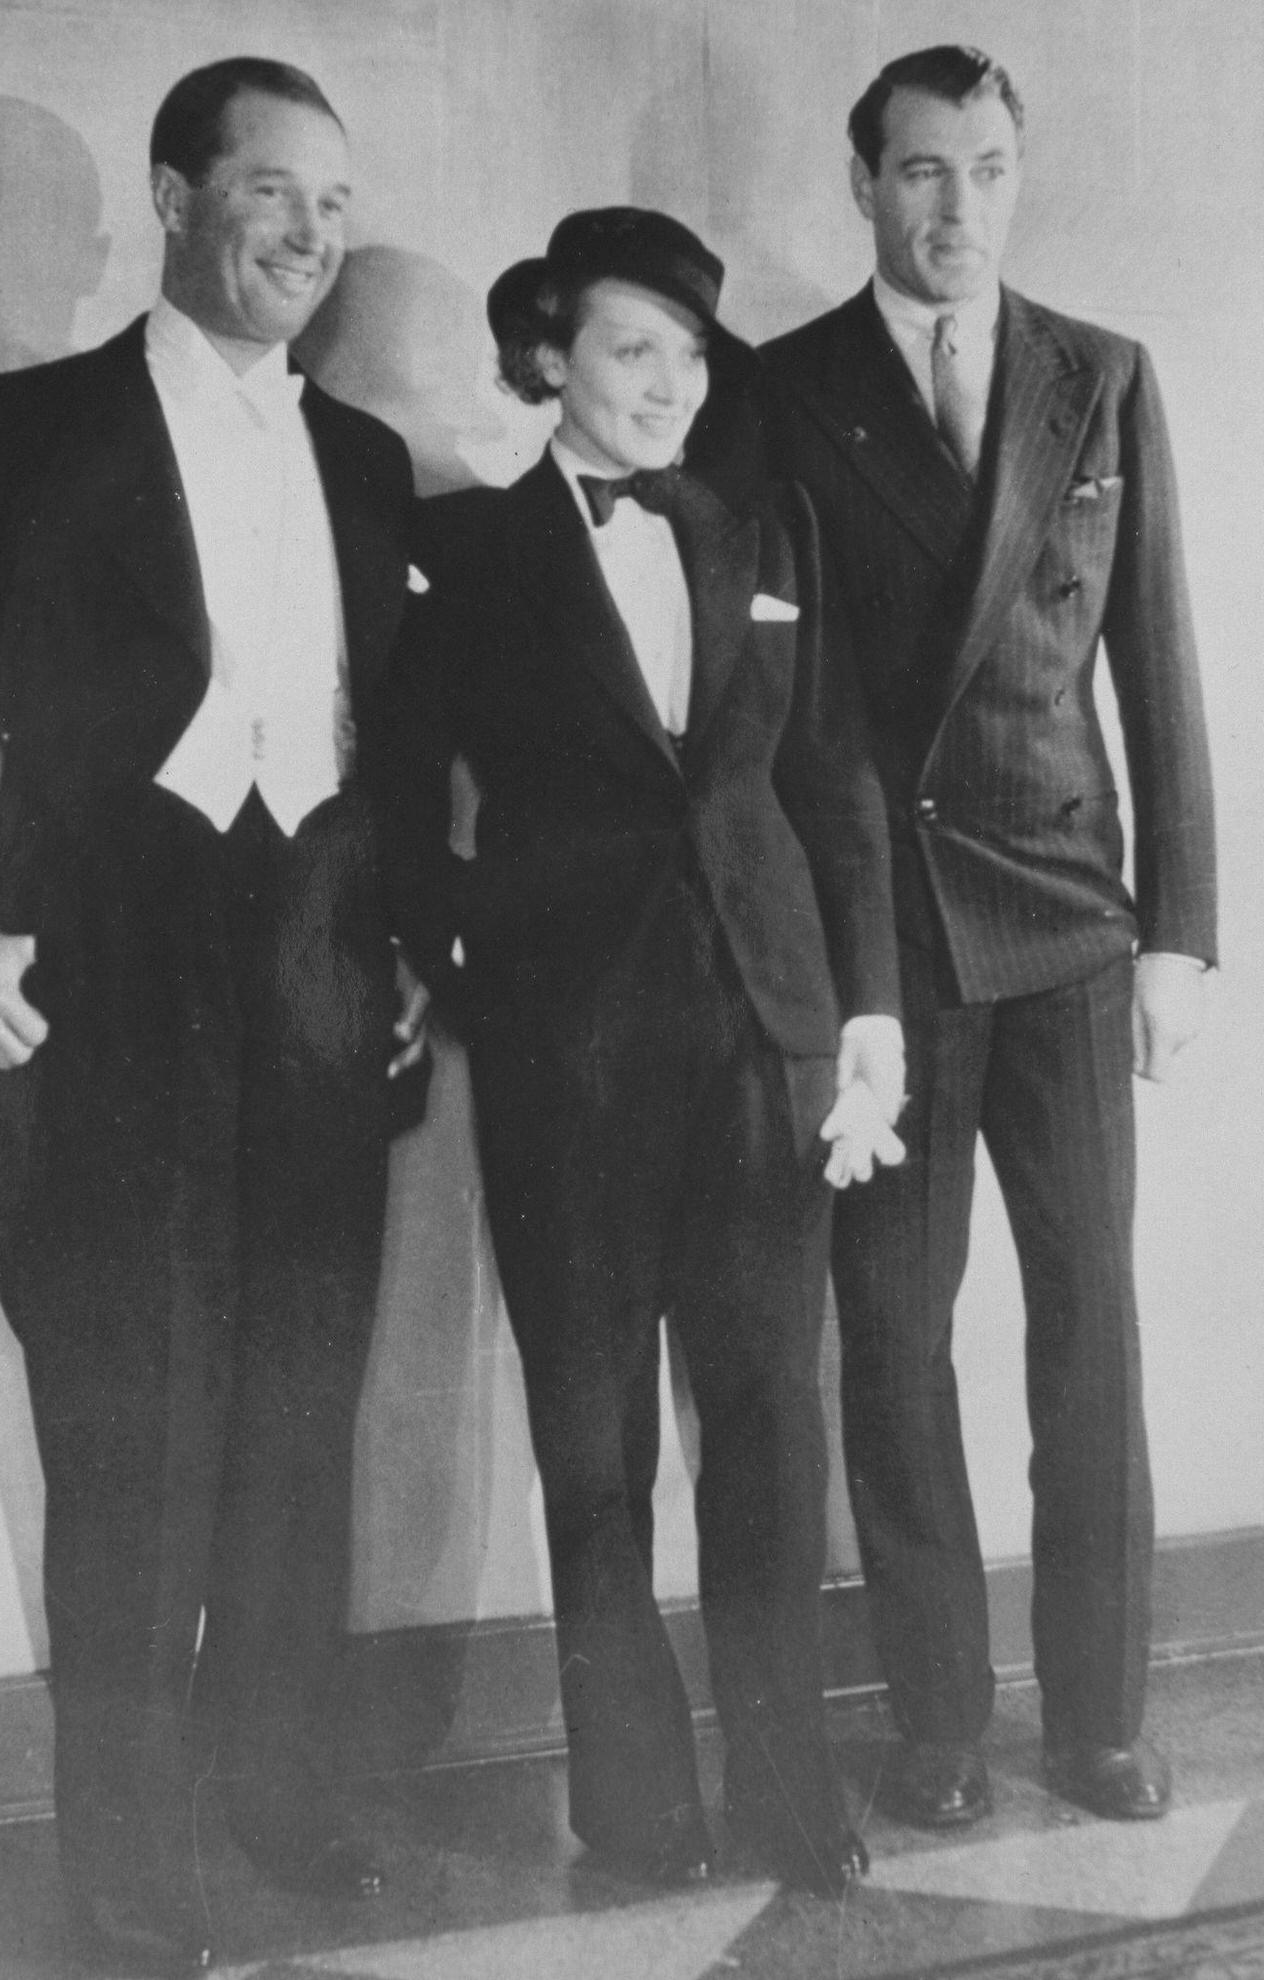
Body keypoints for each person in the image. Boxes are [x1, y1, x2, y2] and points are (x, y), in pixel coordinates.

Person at [0, 57, 428, 1975]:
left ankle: (273, 1804)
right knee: (131, 1451)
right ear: (175, 200)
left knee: (292, 1433)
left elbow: (393, 742)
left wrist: (408, 951)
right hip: (99, 1008)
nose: (309, 235)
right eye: (274, 193)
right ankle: (125, 1864)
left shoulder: (359, 458)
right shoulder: (19, 435)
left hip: (315, 1002)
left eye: (336, 209)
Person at [375, 207, 905, 1894]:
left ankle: (788, 1795)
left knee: (768, 1427)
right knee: (590, 1448)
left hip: (767, 1044)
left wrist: (865, 1018)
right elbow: (397, 798)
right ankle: (636, 1807)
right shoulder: (464, 553)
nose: (669, 382)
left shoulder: (765, 527)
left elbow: (832, 788)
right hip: (568, 1062)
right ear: (547, 358)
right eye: (629, 348)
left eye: (688, 352)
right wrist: (473, 960)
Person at [752, 46, 1217, 1830]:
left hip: (1073, 922)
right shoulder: (781, 392)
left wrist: (1179, 934)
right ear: (862, 181)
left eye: (992, 171)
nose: (960, 210)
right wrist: (809, 959)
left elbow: (1156, 666)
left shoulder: (1098, 375)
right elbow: (770, 697)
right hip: (884, 935)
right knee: (893, 1330)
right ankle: (940, 1716)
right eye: (926, 172)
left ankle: (1102, 1711)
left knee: (1091, 1320)